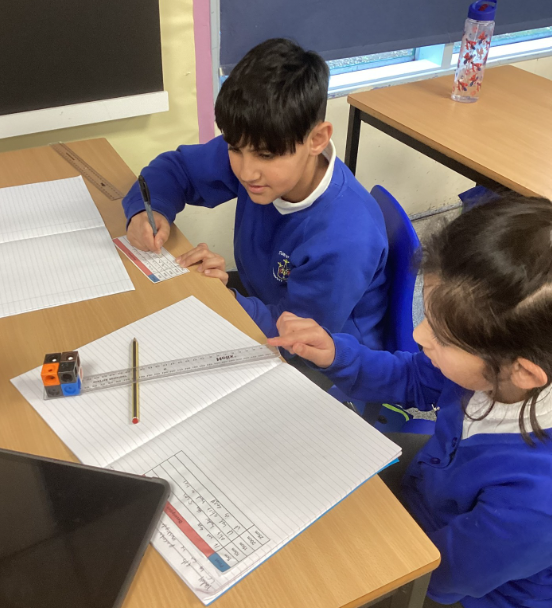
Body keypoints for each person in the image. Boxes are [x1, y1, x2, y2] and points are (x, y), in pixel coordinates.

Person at [267, 195, 552, 608]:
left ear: (523, 372)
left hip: (466, 590)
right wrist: (336, 354)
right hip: (425, 498)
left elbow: (440, 577)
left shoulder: (535, 502)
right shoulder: (495, 368)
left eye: (442, 337)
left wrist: (353, 553)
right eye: (427, 317)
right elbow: (413, 377)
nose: (418, 335)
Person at [122, 38, 388, 348]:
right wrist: (148, 209)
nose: (246, 172)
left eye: (266, 155)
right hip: (261, 302)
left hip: (323, 353)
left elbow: (299, 341)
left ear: (316, 139)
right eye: (235, 148)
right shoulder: (257, 147)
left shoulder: (346, 236)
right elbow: (177, 168)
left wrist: (224, 297)